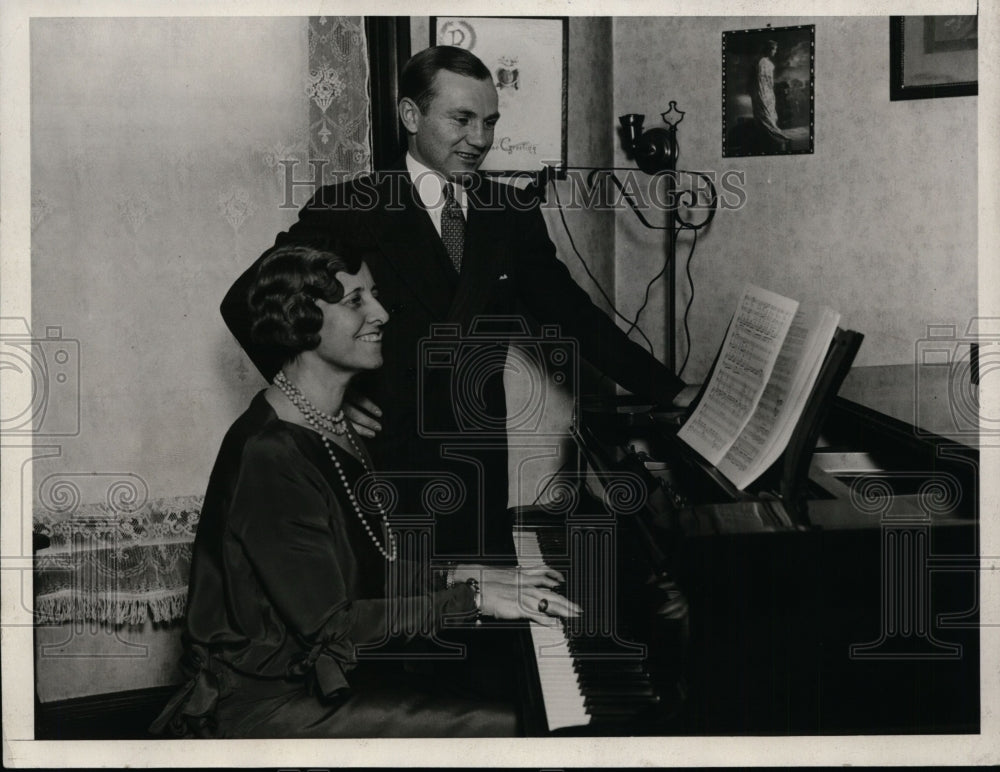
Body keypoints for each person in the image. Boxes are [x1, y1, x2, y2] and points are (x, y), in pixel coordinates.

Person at [222, 45, 698, 561]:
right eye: (462, 119)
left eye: (489, 122)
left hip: (479, 468)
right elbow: (245, 302)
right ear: (411, 115)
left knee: (481, 619)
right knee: (402, 618)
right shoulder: (350, 208)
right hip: (384, 467)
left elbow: (577, 318)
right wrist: (317, 396)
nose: (480, 139)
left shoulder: (511, 213)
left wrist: (669, 391)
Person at [151, 244, 580, 738]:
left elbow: (361, 565)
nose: (380, 313)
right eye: (355, 301)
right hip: (269, 702)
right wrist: (473, 598)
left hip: (324, 676)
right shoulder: (269, 453)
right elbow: (332, 625)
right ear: (299, 320)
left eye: (374, 295)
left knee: (505, 702)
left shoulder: (332, 423)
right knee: (521, 726)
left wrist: (460, 572)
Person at [748, 39, 790, 151]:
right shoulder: (759, 62)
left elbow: (769, 81)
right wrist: (755, 92)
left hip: (768, 93)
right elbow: (754, 80)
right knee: (764, 115)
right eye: (774, 49)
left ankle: (771, 139)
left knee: (770, 114)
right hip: (760, 92)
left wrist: (771, 92)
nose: (775, 52)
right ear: (769, 49)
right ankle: (771, 138)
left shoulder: (769, 64)